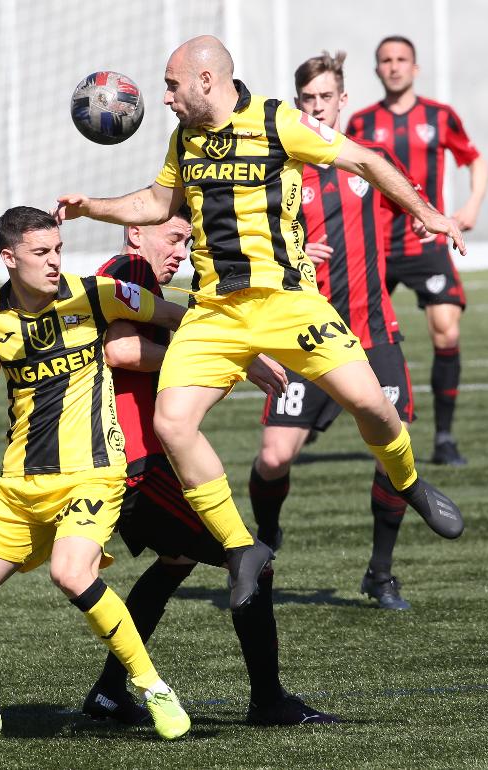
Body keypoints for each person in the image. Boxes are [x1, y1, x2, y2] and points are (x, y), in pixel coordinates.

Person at [56, 35, 466, 612]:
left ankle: (410, 483)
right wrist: (91, 206)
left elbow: (367, 161)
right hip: (214, 312)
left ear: (205, 81)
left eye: (172, 85)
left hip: (289, 302)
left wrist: (428, 213)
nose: (165, 98)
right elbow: (156, 202)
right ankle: (239, 545)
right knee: (174, 424)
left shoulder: (279, 122)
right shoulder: (184, 138)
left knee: (374, 408)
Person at [0, 206, 194, 742]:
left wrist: (242, 354)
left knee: (72, 573)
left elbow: (177, 316)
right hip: (21, 484)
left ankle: (154, 688)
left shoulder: (96, 293)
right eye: (40, 253)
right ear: (9, 258)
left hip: (92, 474)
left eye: (58, 251)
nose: (54, 263)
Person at [82, 211, 337, 727]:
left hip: (137, 460)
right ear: (137, 232)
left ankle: (109, 694)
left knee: (176, 559)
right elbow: (122, 350)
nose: (181, 250)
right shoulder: (128, 268)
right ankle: (268, 702)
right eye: (174, 237)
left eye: (188, 240)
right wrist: (229, 356)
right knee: (252, 558)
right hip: (136, 464)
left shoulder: (143, 283)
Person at [250, 51, 457, 613]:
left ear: (343, 101)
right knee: (272, 459)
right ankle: (266, 536)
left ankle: (380, 573)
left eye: (326, 97)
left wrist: (425, 215)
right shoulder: (280, 169)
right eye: (308, 99)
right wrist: (290, 250)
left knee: (393, 451)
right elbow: (250, 241)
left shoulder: (367, 160)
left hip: (372, 334)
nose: (317, 107)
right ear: (299, 105)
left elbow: (409, 197)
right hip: (306, 334)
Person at [346, 35, 488, 466]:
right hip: (375, 247)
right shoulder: (361, 124)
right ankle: (327, 408)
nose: (393, 66)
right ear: (377, 70)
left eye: (401, 59)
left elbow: (474, 160)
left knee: (446, 330)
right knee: (350, 333)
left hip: (424, 241)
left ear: (415, 67)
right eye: (385, 60)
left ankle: (444, 437)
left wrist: (471, 206)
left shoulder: (439, 116)